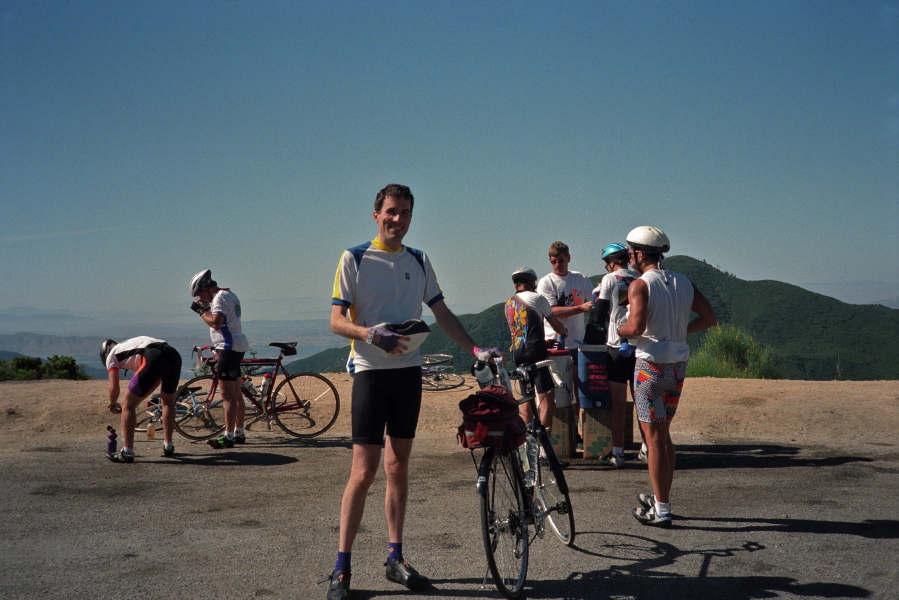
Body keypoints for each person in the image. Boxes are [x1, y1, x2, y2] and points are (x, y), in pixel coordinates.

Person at [325, 183, 495, 600]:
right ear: (376, 214)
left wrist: (474, 347)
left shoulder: (419, 260)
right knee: (363, 473)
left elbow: (440, 312)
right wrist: (369, 334)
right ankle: (341, 569)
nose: (397, 219)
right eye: (390, 211)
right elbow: (334, 320)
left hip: (407, 374)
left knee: (398, 468)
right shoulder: (355, 257)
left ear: (411, 218)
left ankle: (395, 559)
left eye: (404, 213)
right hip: (369, 371)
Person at [617, 226, 716, 528]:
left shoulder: (639, 285)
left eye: (630, 251)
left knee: (654, 439)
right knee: (664, 436)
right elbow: (709, 318)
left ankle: (662, 510)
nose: (629, 256)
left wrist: (618, 328)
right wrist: (676, 332)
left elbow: (634, 328)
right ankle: (661, 496)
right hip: (677, 367)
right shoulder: (684, 282)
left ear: (639, 253)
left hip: (649, 369)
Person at [587, 243, 638, 467]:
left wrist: (589, 341)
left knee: (618, 402)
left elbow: (599, 316)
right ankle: (646, 448)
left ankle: (617, 453)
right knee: (642, 401)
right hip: (639, 346)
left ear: (611, 262)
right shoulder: (639, 278)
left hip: (616, 346)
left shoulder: (610, 279)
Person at [189, 269, 250, 449]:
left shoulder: (219, 298)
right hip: (236, 346)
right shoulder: (228, 294)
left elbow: (216, 323)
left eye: (200, 293)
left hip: (228, 348)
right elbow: (222, 319)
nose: (200, 297)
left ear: (207, 288)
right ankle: (239, 432)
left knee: (227, 396)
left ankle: (228, 436)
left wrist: (201, 312)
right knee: (237, 393)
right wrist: (205, 307)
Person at [504, 267, 568, 433]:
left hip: (518, 355)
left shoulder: (509, 303)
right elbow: (556, 325)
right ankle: (542, 449)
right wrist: (564, 331)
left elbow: (521, 332)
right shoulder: (537, 298)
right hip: (538, 356)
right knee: (548, 402)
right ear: (531, 282)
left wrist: (543, 341)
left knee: (527, 400)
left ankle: (526, 446)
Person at [101, 337, 182, 462]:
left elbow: (114, 389)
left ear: (105, 355)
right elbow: (156, 380)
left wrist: (112, 404)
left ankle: (127, 453)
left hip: (154, 356)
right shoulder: (128, 346)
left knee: (127, 404)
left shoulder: (111, 355)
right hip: (173, 354)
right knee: (167, 402)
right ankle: (168, 446)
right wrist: (137, 400)